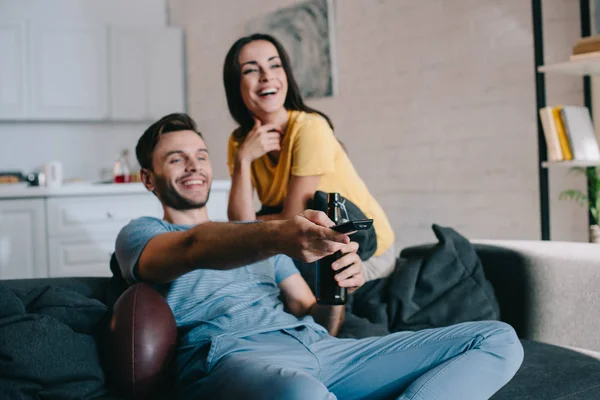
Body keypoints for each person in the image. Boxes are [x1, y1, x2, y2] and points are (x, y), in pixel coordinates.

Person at [115, 113, 523, 400]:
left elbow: (318, 318)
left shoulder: (254, 238)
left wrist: (336, 285)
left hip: (319, 349)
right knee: (300, 392)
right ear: (149, 179)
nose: (194, 166)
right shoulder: (142, 234)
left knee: (497, 339)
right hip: (234, 356)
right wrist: (279, 233)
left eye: (201, 155)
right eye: (176, 158)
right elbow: (194, 247)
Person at [224, 33, 396, 282]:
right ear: (235, 84)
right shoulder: (240, 142)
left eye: (275, 65)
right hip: (313, 246)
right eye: (251, 70)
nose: (266, 76)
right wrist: (243, 160)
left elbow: (291, 220)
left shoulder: (309, 128)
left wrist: (254, 222)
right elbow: (241, 226)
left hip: (366, 250)